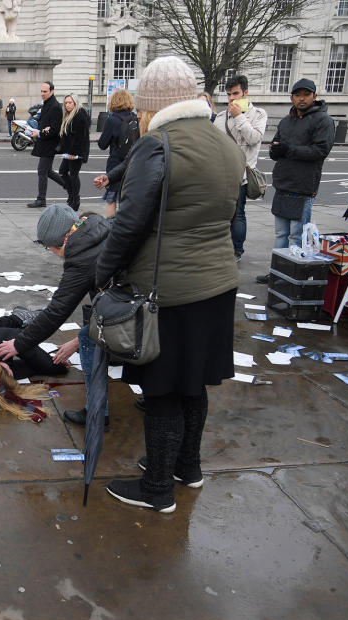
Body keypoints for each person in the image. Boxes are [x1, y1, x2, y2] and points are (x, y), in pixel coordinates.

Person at [95, 56, 245, 513]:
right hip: (218, 283)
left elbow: (130, 221)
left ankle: (158, 489)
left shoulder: (157, 144)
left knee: (161, 390)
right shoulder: (222, 142)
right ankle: (187, 468)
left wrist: (102, 272)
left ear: (152, 105)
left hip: (169, 291)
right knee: (193, 382)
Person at [0, 203, 110, 426]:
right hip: (148, 301)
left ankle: (97, 413)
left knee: (89, 341)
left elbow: (57, 311)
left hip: (135, 311)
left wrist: (19, 344)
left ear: (58, 243)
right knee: (86, 335)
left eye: (50, 248)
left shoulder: (80, 257)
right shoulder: (97, 227)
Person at [255, 78, 335, 283]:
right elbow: (277, 146)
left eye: (306, 95)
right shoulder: (286, 120)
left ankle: (289, 276)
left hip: (303, 186)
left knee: (296, 236)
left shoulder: (323, 120)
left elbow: (321, 150)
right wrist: (275, 150)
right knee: (281, 234)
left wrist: (288, 150)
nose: (301, 99)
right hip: (283, 184)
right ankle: (277, 273)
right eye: (297, 95)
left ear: (314, 97)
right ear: (291, 97)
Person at [214, 75, 267, 262]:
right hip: (221, 173)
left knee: (238, 213)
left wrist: (239, 117)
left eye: (235, 93)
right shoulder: (221, 117)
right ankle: (220, 247)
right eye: (228, 94)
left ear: (245, 93)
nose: (231, 98)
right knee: (219, 213)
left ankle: (236, 250)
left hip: (242, 174)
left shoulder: (258, 114)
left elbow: (254, 138)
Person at [95, 89, 138, 217]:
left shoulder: (112, 120)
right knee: (127, 196)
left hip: (115, 162)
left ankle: (111, 225)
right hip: (132, 161)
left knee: (111, 198)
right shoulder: (135, 118)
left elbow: (102, 144)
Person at [27, 81, 64, 208]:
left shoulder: (55, 106)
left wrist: (40, 134)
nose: (42, 94)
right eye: (41, 91)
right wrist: (38, 130)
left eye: (45, 92)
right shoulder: (47, 104)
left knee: (42, 170)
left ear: (52, 91)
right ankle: (69, 185)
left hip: (50, 144)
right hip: (45, 142)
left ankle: (41, 199)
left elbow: (54, 129)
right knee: (47, 171)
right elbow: (44, 123)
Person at [57, 95, 90, 211]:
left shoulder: (79, 115)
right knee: (62, 172)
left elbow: (80, 137)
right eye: (66, 103)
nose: (67, 105)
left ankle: (75, 200)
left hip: (76, 151)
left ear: (75, 103)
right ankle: (72, 195)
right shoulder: (68, 115)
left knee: (73, 174)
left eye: (70, 103)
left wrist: (73, 152)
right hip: (69, 151)